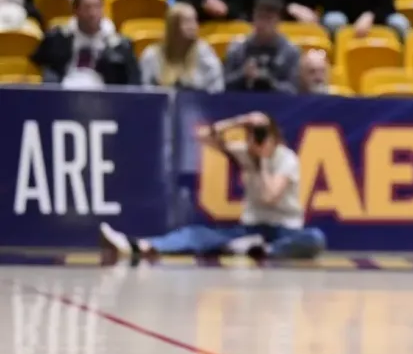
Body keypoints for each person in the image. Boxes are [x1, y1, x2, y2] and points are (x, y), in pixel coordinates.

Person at [99, 112, 325, 263]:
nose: (255, 140)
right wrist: (239, 121)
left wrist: (263, 161)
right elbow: (203, 136)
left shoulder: (287, 159)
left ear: (275, 137)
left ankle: (262, 250)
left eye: (261, 134)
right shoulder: (244, 153)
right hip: (252, 228)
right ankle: (140, 245)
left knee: (314, 238)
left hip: (285, 230)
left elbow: (270, 197)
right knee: (196, 234)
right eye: (252, 135)